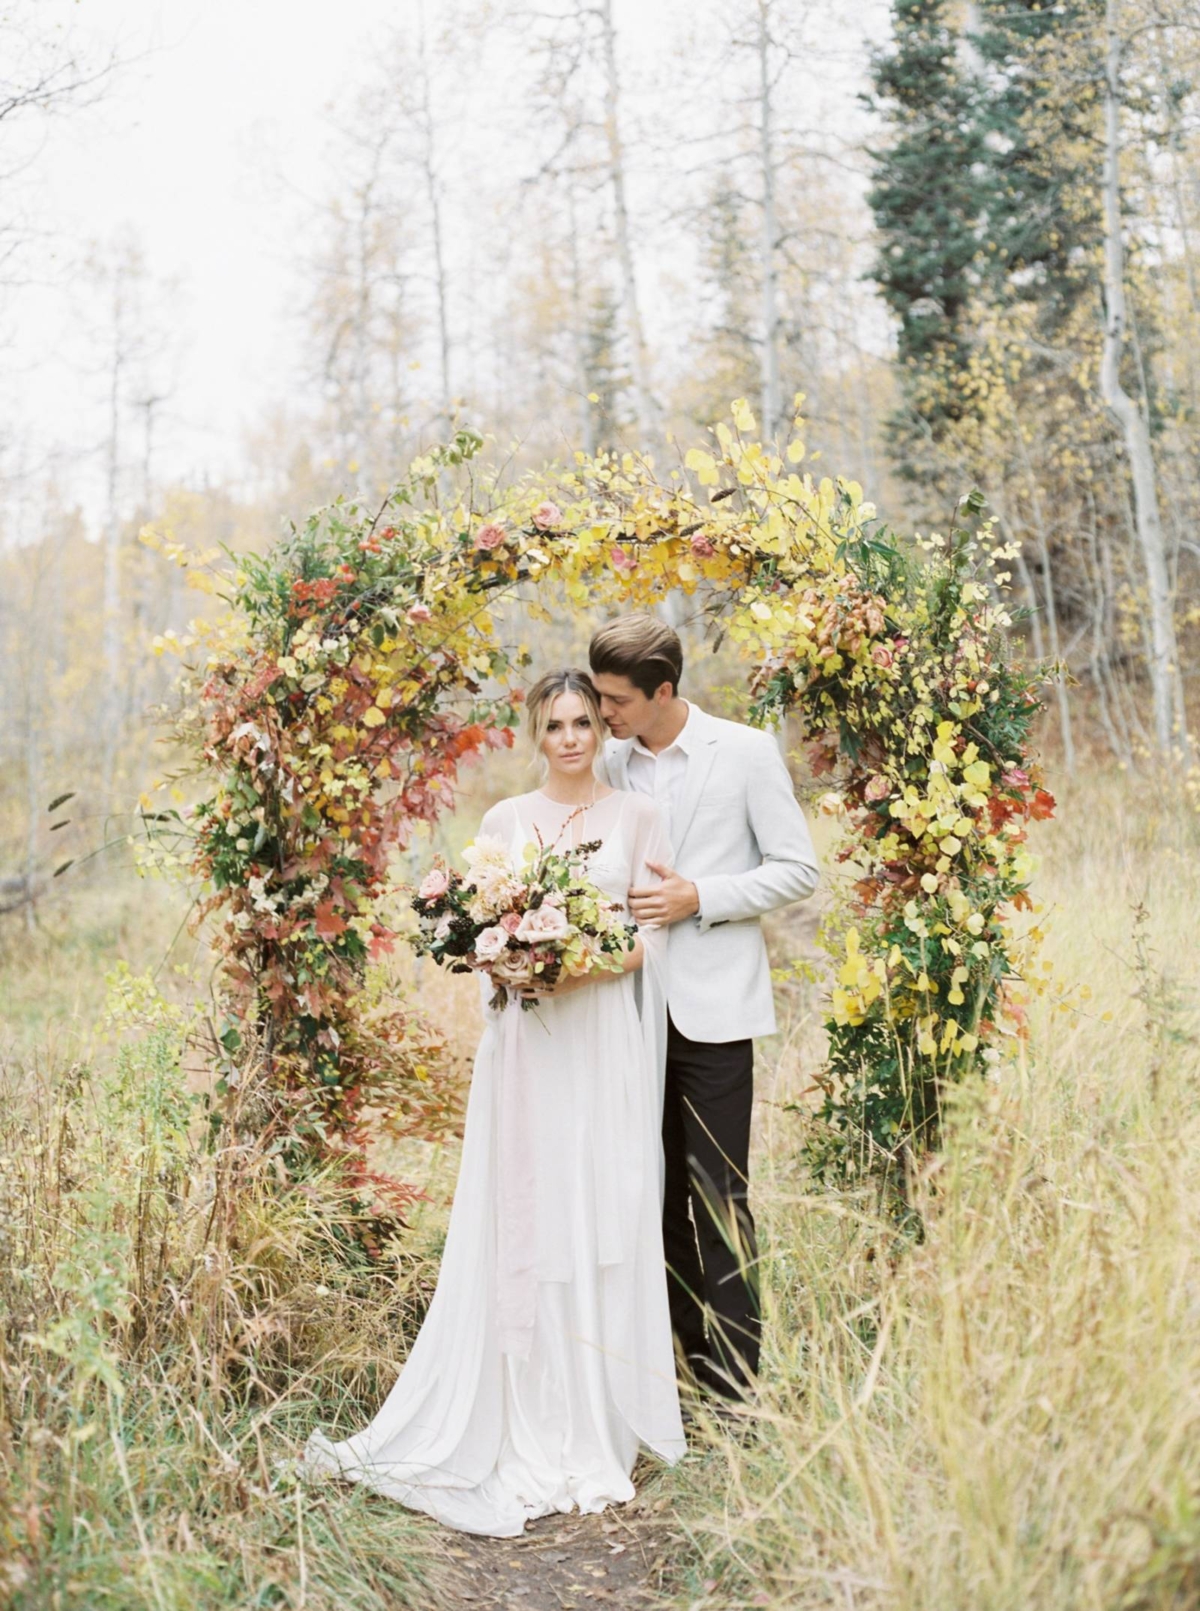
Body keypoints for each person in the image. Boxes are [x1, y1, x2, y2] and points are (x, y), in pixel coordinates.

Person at [303, 669, 685, 1537]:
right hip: (529, 1050)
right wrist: (514, 960)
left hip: (601, 1045)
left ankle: (594, 1416)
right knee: (534, 1211)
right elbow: (479, 939)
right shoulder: (506, 824)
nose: (571, 737)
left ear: (603, 727)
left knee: (599, 1209)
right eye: (554, 724)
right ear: (535, 733)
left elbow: (649, 941)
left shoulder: (640, 818)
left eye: (584, 721)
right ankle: (521, 1409)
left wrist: (575, 958)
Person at [590, 614, 820, 1400]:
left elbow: (797, 868)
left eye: (617, 699)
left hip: (715, 1015)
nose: (603, 712)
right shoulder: (605, 764)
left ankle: (737, 1388)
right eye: (597, 696)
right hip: (622, 1012)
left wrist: (702, 897)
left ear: (663, 690)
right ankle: (681, 1362)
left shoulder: (747, 752)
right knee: (646, 1197)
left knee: (719, 1200)